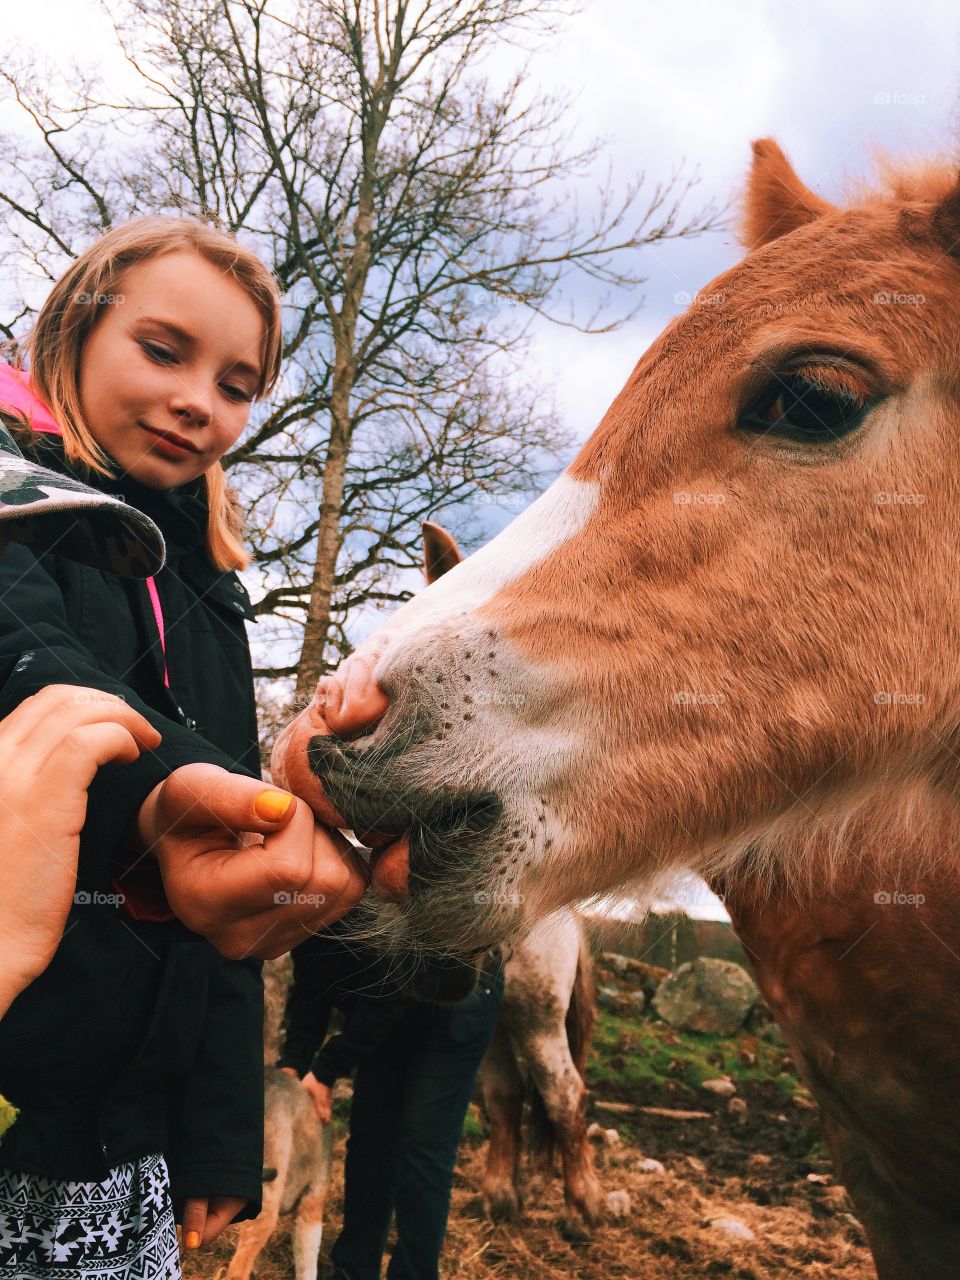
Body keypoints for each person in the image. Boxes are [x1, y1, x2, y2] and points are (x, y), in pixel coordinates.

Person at [0, 217, 368, 1280]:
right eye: (164, 350)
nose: (202, 400)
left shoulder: (212, 598)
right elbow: (29, 648)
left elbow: (221, 921)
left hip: (133, 1142)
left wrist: (212, 1131)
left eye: (239, 383)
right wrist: (167, 789)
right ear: (70, 334)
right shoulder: (21, 513)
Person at [279, 920, 504, 1280]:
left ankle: (414, 1273)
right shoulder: (310, 908)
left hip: (457, 993)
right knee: (370, 1135)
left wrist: (325, 1070)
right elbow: (312, 984)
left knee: (425, 1147)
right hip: (387, 1000)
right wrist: (292, 1067)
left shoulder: (368, 901)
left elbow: (385, 1000)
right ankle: (354, 1268)